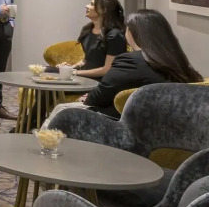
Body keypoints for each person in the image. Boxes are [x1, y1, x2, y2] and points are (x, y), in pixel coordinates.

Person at [44, 8, 203, 124]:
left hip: (124, 123)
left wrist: (89, 97)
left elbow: (100, 95)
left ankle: (47, 149)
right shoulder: (177, 61)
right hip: (166, 124)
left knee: (62, 110)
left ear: (133, 33)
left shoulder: (130, 61)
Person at [61, 0, 127, 79]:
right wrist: (70, 68)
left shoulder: (114, 35)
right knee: (49, 70)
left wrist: (75, 72)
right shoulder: (87, 29)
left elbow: (107, 69)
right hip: (85, 77)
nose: (86, 6)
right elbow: (87, 60)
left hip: (102, 81)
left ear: (103, 10)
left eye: (92, 4)